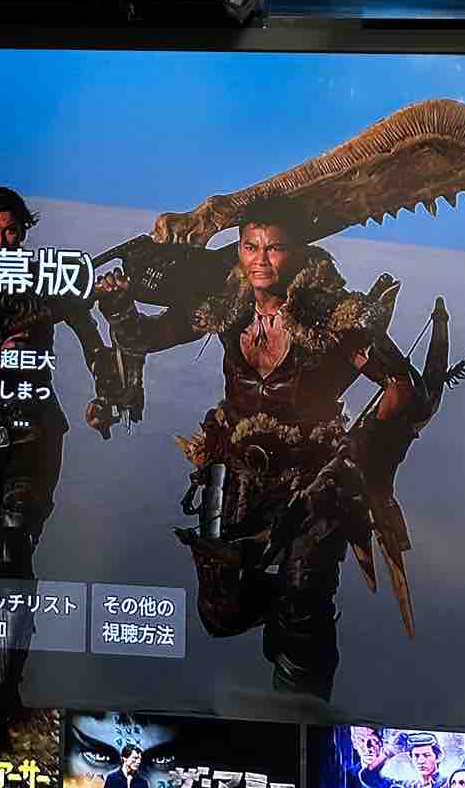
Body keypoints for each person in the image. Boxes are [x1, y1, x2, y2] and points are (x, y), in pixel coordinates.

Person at [98, 200, 425, 699]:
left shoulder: (332, 317)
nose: (261, 260)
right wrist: (119, 306)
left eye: (274, 248)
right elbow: (144, 338)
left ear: (297, 252)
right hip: (235, 468)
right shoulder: (226, 306)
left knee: (304, 603)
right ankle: (291, 617)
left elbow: (401, 386)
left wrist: (361, 452)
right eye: (250, 247)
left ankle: (301, 705)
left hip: (312, 477)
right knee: (221, 611)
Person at [0, 185, 113, 703]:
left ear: (23, 231)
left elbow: (91, 338)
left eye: (10, 231)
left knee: (11, 550)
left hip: (34, 432)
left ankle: (4, 690)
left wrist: (107, 394)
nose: (0, 241)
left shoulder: (46, 281)